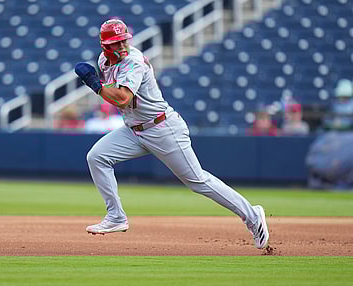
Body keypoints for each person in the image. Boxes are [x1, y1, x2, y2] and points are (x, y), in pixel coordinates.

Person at [74, 19, 269, 249]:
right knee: (97, 157)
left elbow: (123, 98)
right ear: (106, 46)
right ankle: (116, 217)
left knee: (198, 181)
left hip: (162, 127)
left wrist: (96, 85)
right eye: (117, 43)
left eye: (125, 40)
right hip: (133, 130)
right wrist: (99, 85)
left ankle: (253, 216)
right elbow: (115, 95)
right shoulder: (103, 61)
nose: (123, 46)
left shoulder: (134, 61)